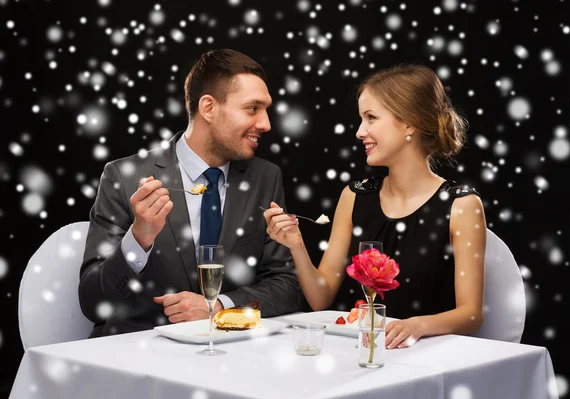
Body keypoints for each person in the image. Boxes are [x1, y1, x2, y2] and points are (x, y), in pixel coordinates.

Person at [79, 49, 303, 337]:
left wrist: (221, 306)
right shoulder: (124, 177)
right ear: (208, 108)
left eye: (266, 109)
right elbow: (92, 302)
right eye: (252, 108)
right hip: (139, 356)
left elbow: (287, 285)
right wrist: (139, 239)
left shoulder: (265, 177)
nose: (266, 123)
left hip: (232, 357)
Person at [264, 64, 486, 349]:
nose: (359, 131)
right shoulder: (354, 196)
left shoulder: (462, 206)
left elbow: (471, 315)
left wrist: (417, 325)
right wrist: (295, 244)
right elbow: (320, 298)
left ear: (410, 123)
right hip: (361, 355)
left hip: (429, 357)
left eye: (371, 118)